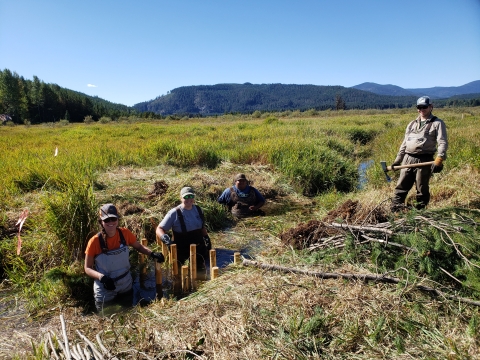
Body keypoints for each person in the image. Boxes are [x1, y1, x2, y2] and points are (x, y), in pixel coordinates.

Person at [84, 203, 165, 311]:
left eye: (113, 219)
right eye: (107, 220)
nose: (111, 222)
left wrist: (152, 253)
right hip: (105, 289)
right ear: (101, 222)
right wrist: (102, 277)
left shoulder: (125, 233)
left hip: (125, 285)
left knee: (128, 313)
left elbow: (139, 247)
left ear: (117, 219)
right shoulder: (94, 241)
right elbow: (87, 268)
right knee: (107, 318)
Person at [390, 96, 448, 212]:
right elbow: (404, 144)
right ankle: (395, 212)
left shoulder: (437, 123)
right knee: (400, 187)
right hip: (408, 158)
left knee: (422, 189)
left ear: (431, 107)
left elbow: (442, 142)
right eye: (419, 107)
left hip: (425, 160)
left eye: (424, 107)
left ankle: (420, 214)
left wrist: (439, 158)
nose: (421, 109)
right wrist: (398, 160)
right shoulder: (411, 124)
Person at [156, 187, 211, 266]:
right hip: (182, 251)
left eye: (191, 196)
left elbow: (201, 227)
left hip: (199, 249)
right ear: (181, 198)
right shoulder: (174, 213)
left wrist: (206, 238)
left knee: (202, 269)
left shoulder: (199, 210)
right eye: (186, 197)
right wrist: (166, 240)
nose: (189, 199)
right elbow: (159, 229)